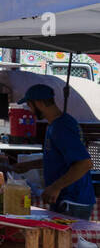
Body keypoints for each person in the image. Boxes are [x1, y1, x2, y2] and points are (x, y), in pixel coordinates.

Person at [22, 83, 96, 217]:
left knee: (63, 238)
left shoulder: (61, 127)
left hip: (73, 201)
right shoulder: (55, 125)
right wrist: (25, 166)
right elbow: (58, 159)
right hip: (67, 199)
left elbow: (84, 163)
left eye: (29, 105)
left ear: (39, 103)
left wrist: (55, 187)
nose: (29, 110)